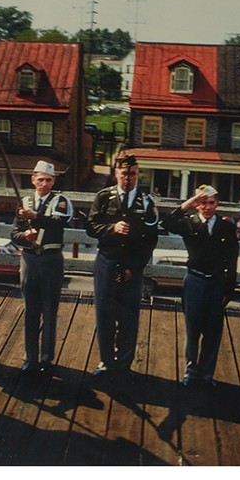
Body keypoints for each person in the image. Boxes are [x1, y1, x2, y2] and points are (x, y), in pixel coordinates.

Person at [160, 183, 239, 388]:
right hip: (194, 281)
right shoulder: (189, 223)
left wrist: (229, 290)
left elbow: (232, 260)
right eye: (203, 203)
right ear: (197, 205)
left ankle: (206, 375)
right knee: (192, 329)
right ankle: (191, 371)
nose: (208, 207)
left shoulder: (226, 227)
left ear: (217, 203)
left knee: (213, 332)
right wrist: (187, 204)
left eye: (211, 202)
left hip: (216, 283)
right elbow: (166, 222)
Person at [85, 154, 155, 376]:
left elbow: (151, 239)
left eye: (132, 173)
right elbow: (91, 227)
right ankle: (106, 362)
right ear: (116, 173)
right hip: (107, 262)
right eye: (124, 173)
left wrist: (133, 267)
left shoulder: (146, 202)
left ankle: (124, 365)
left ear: (138, 174)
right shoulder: (104, 197)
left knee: (129, 316)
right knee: (104, 314)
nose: (128, 178)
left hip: (132, 267)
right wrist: (111, 229)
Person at [12, 160, 71, 376]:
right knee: (30, 310)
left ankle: (47, 358)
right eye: (40, 179)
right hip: (29, 260)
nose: (44, 184)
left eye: (48, 180)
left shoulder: (60, 200)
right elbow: (14, 233)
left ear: (53, 181)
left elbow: (59, 222)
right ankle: (30, 358)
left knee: (49, 310)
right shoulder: (24, 201)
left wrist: (36, 218)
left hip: (51, 260)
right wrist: (25, 237)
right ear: (33, 180)